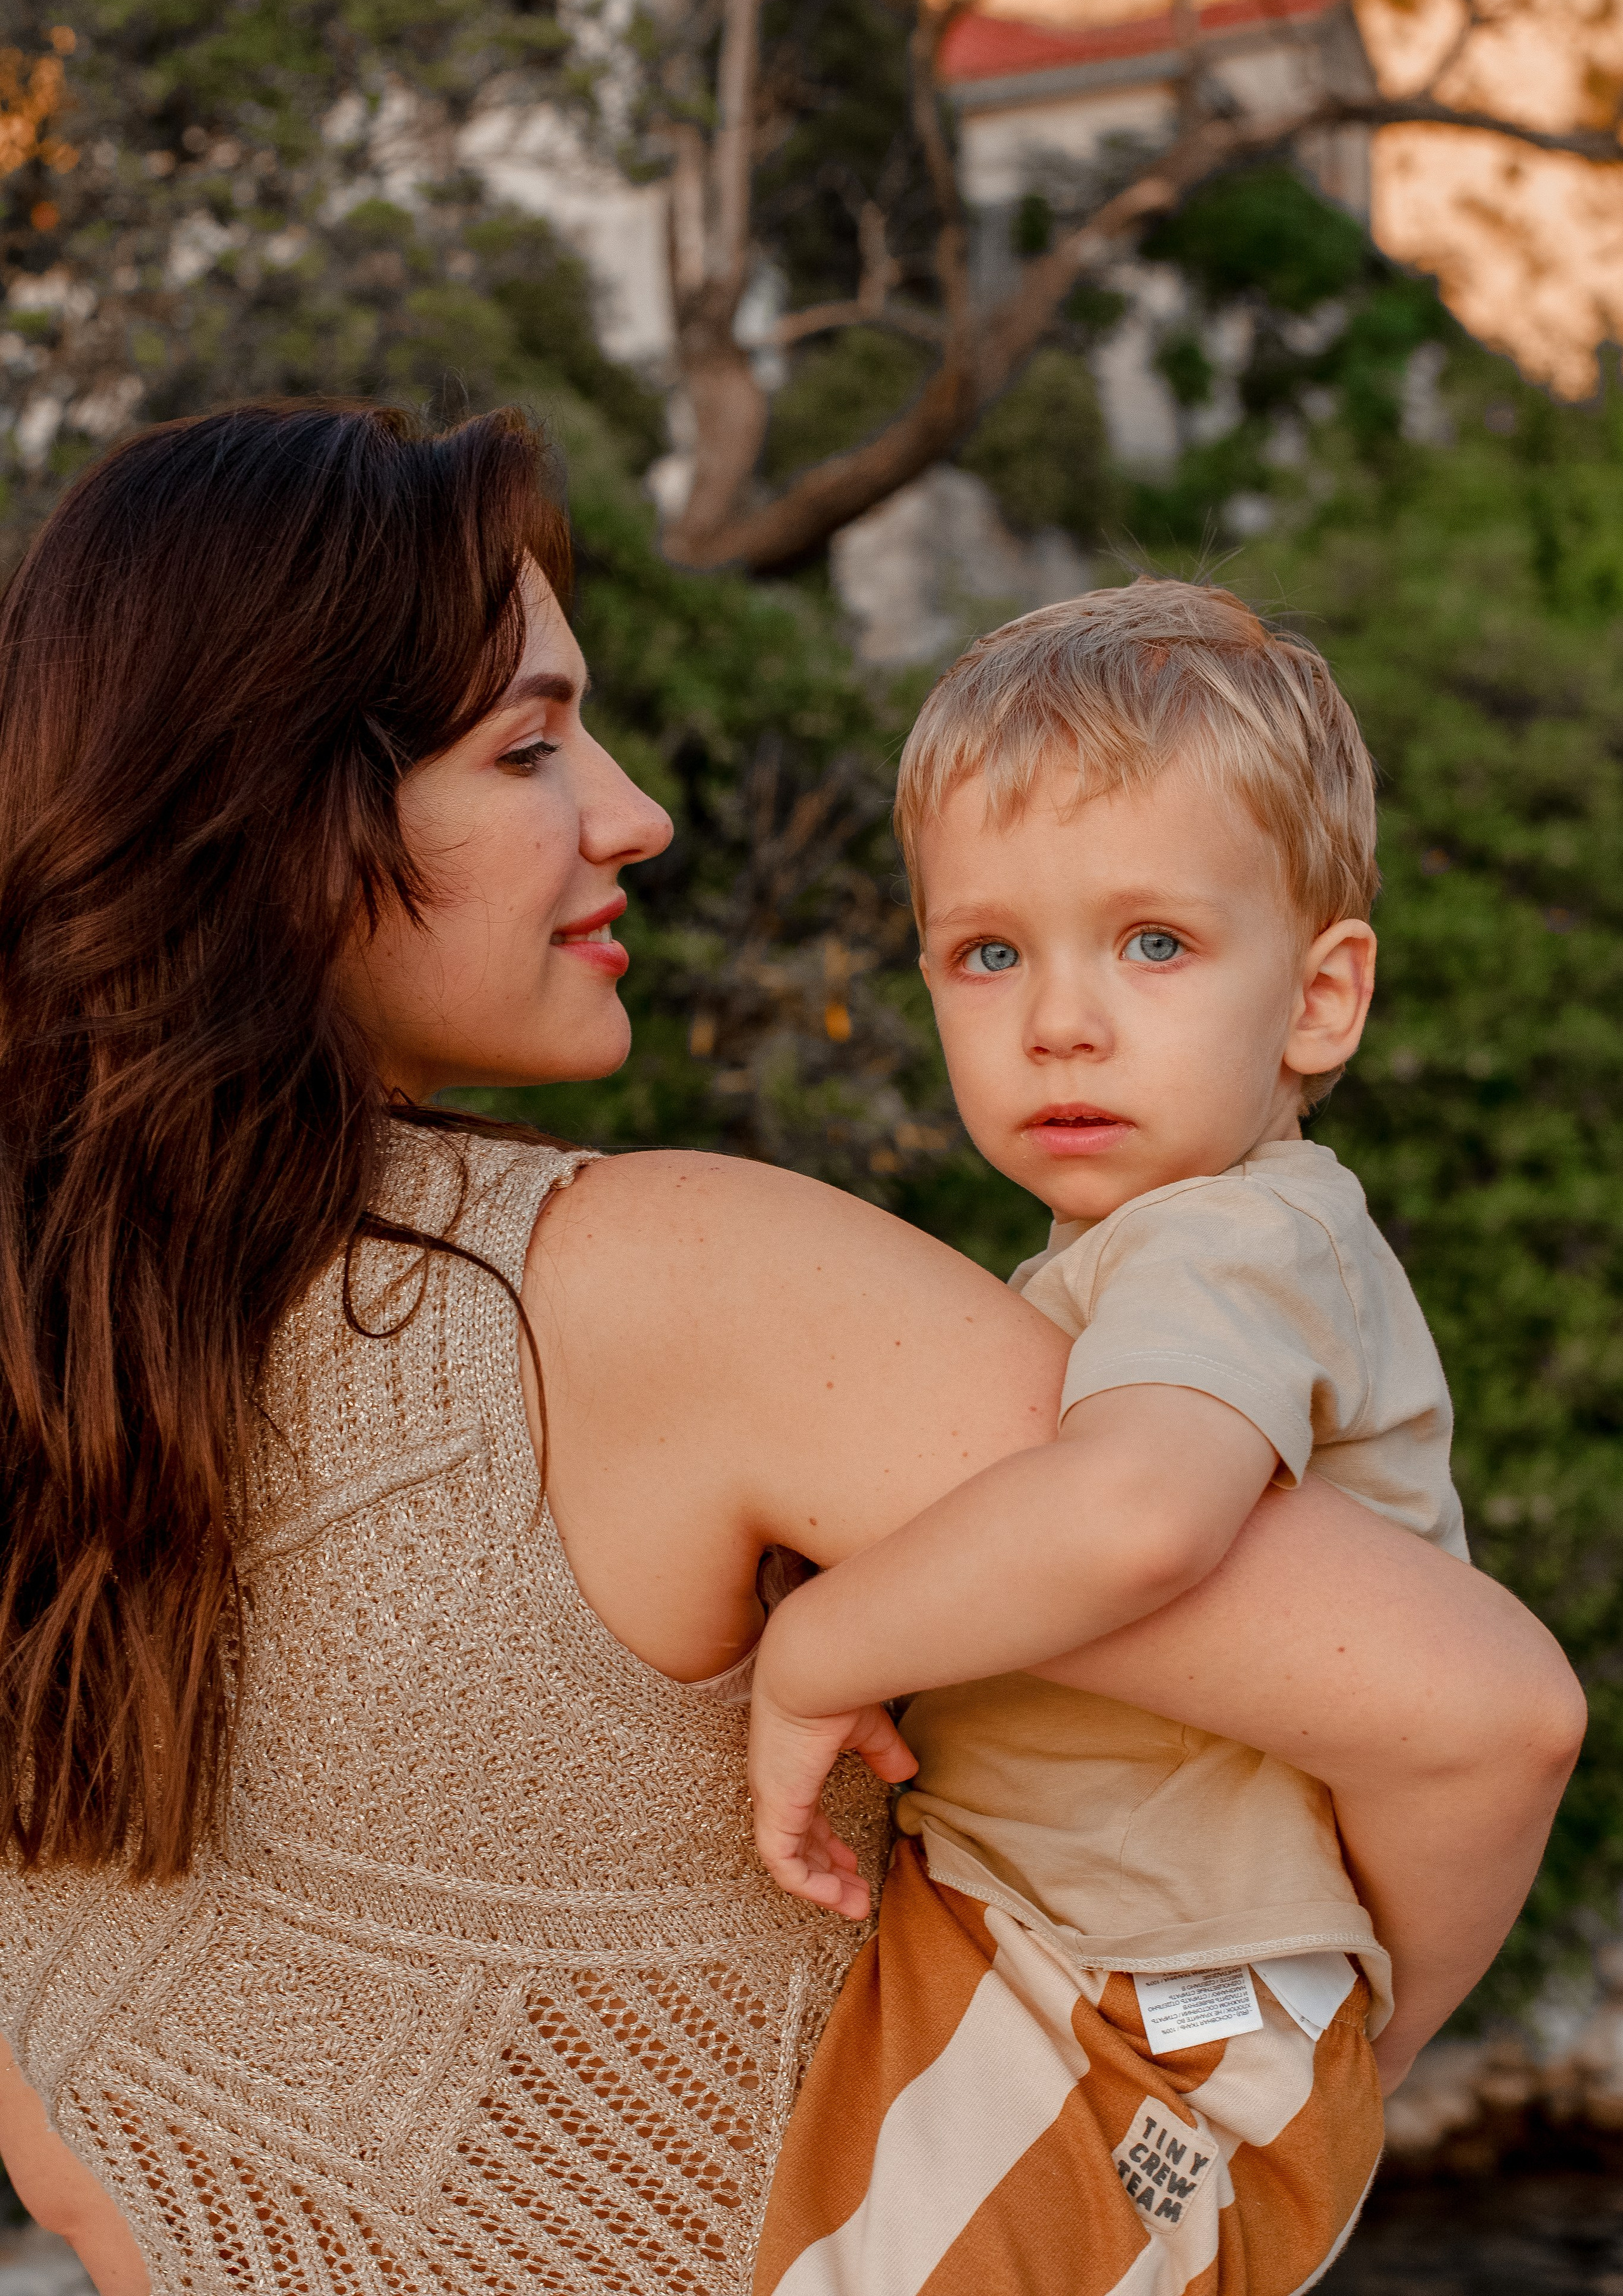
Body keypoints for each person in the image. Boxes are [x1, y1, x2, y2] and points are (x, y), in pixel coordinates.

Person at [0, 407, 1582, 2296]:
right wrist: (1353, 2063)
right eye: (528, 745)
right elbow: (1492, 1713)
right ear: (277, 821)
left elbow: (104, 2192)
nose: (634, 810)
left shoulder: (50, 1413)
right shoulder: (659, 1285)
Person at [747, 582, 1572, 2296]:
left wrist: (823, 1641)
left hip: (1160, 2015)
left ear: (1321, 1000)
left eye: (1154, 945)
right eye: (992, 952)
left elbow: (1134, 1520)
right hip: (1112, 1979)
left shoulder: (1233, 1241)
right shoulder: (1125, 1261)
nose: (1061, 1017)